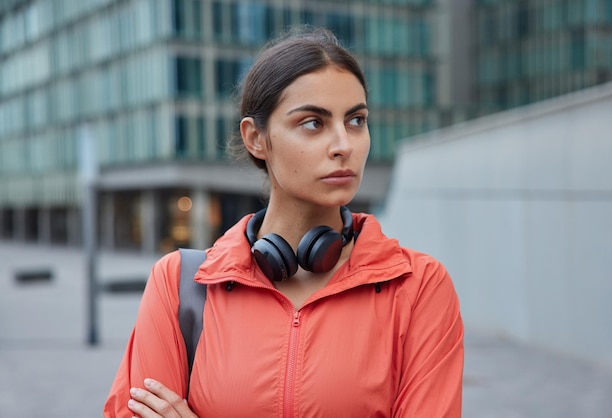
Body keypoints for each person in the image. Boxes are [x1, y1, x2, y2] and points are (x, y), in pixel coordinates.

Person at [104, 25, 464, 418]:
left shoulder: (419, 288)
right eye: (313, 123)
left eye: (356, 120)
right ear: (256, 138)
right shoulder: (179, 285)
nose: (344, 145)